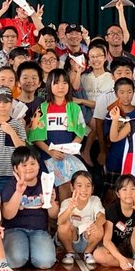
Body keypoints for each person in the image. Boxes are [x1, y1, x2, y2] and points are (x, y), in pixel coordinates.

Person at [27, 69, 88, 198]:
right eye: (56, 83)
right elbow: (35, 137)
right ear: (49, 85)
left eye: (65, 83)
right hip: (46, 157)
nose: (61, 87)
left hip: (67, 156)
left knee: (68, 190)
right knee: (50, 193)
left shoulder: (74, 108)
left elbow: (80, 133)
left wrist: (68, 150)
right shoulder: (43, 108)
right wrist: (50, 152)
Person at [0, 147, 59, 270]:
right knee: (15, 260)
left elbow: (54, 215)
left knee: (45, 261)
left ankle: (31, 253)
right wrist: (18, 191)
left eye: (33, 163)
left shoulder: (46, 182)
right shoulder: (11, 185)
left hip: (39, 230)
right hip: (14, 230)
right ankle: (27, 253)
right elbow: (7, 215)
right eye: (24, 165)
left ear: (38, 165)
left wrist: (51, 202)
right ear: (16, 169)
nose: (29, 168)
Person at [94, 174, 135, 271]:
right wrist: (120, 258)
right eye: (124, 189)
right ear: (118, 194)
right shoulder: (112, 210)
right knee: (98, 255)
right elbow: (107, 240)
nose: (129, 193)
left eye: (132, 189)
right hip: (117, 249)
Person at [57, 171, 105, 266]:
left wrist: (96, 225)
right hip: (71, 240)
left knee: (99, 227)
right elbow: (59, 221)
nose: (84, 189)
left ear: (92, 188)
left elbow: (102, 217)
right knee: (63, 226)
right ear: (72, 187)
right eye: (79, 185)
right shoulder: (67, 202)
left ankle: (88, 253)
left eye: (88, 186)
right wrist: (70, 208)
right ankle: (70, 253)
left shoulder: (95, 200)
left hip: (88, 239)